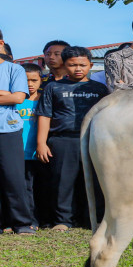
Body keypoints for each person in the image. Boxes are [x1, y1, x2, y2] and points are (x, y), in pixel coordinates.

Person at [35, 46, 109, 231]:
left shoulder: (99, 88)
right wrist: (41, 143)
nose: (78, 69)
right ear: (64, 65)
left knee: (94, 182)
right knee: (62, 182)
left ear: (90, 65)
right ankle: (63, 221)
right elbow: (45, 115)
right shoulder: (53, 87)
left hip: (93, 140)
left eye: (82, 65)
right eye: (72, 65)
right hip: (62, 140)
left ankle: (94, 219)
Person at [0, 24, 35, 235]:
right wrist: (0, 93)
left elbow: (18, 97)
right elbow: (9, 95)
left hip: (7, 129)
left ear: (0, 43)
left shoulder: (14, 69)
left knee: (13, 177)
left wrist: (6, 94)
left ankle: (22, 223)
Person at [16, 63, 43, 229]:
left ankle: (36, 220)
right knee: (22, 188)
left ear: (41, 80)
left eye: (34, 80)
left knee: (37, 188)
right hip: (18, 153)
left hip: (38, 153)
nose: (30, 84)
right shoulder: (13, 100)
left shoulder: (44, 100)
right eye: (25, 80)